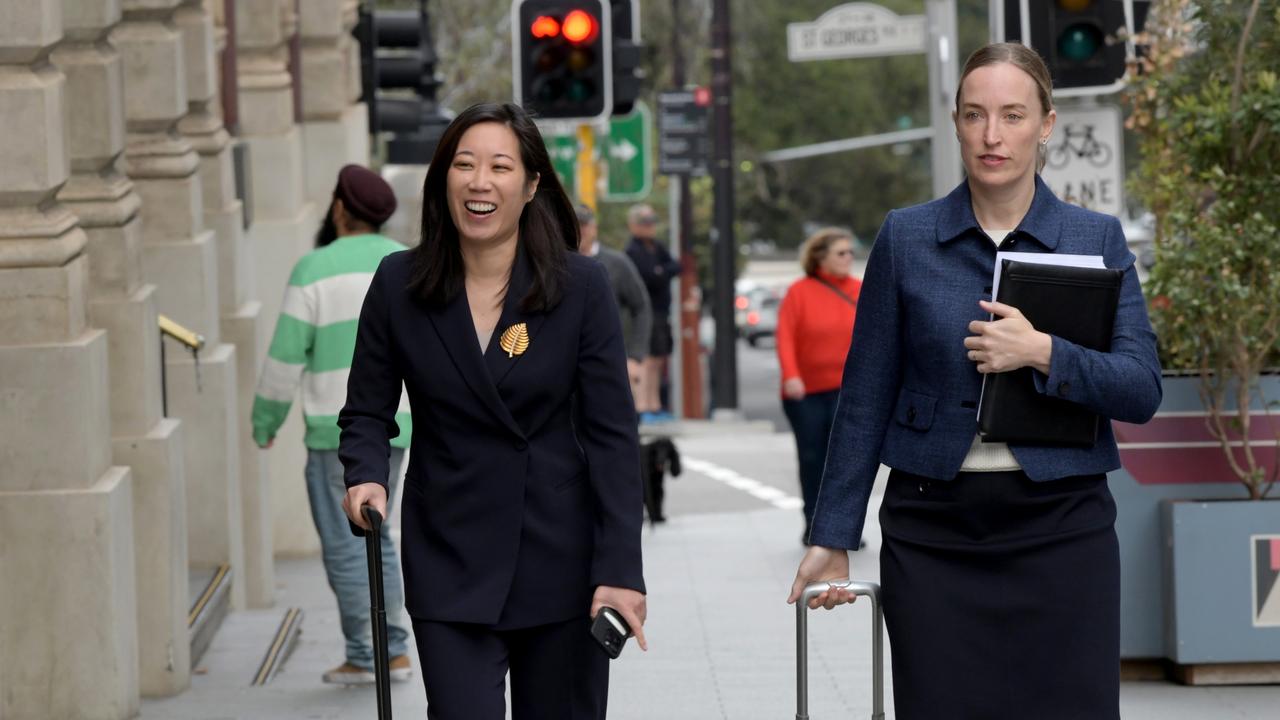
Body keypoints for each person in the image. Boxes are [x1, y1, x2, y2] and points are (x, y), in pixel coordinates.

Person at [787, 43, 1162, 720]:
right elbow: (865, 396)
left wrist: (1046, 351)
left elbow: (1140, 388)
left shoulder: (1095, 238)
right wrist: (832, 533)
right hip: (934, 535)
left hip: (1063, 531)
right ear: (955, 122)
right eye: (975, 115)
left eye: (1013, 115)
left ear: (1046, 124)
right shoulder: (907, 238)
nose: (993, 135)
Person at [338, 102, 646, 719]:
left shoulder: (579, 287)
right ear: (443, 179)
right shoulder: (399, 283)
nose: (480, 181)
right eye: (465, 164)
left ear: (531, 185)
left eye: (500, 166)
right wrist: (365, 473)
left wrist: (621, 570)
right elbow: (367, 411)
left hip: (561, 560)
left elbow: (612, 436)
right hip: (449, 554)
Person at [251, 164, 414, 685]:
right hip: (399, 424)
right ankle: (395, 650)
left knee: (347, 542)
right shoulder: (403, 263)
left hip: (334, 429)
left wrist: (265, 420)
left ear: (340, 208)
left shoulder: (313, 269)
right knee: (379, 536)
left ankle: (371, 655)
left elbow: (283, 359)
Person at [775, 228, 861, 541]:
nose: (848, 258)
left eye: (851, 252)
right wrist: (791, 375)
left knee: (845, 460)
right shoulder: (800, 292)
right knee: (812, 457)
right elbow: (784, 335)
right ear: (820, 258)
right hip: (806, 391)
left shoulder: (860, 289)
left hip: (848, 390)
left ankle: (842, 527)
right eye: (841, 253)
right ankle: (812, 520)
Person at [576, 203, 652, 403]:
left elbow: (641, 307)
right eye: (575, 225)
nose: (580, 231)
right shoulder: (557, 262)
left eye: (584, 225)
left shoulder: (617, 263)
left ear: (594, 228)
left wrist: (635, 357)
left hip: (611, 360)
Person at [625, 204, 682, 422]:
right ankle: (643, 405)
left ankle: (655, 403)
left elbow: (675, 267)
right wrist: (660, 272)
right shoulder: (633, 251)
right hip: (644, 311)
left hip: (661, 310)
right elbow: (650, 276)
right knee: (646, 359)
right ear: (634, 226)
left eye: (651, 223)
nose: (649, 227)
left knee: (658, 359)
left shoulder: (657, 247)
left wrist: (661, 271)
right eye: (644, 223)